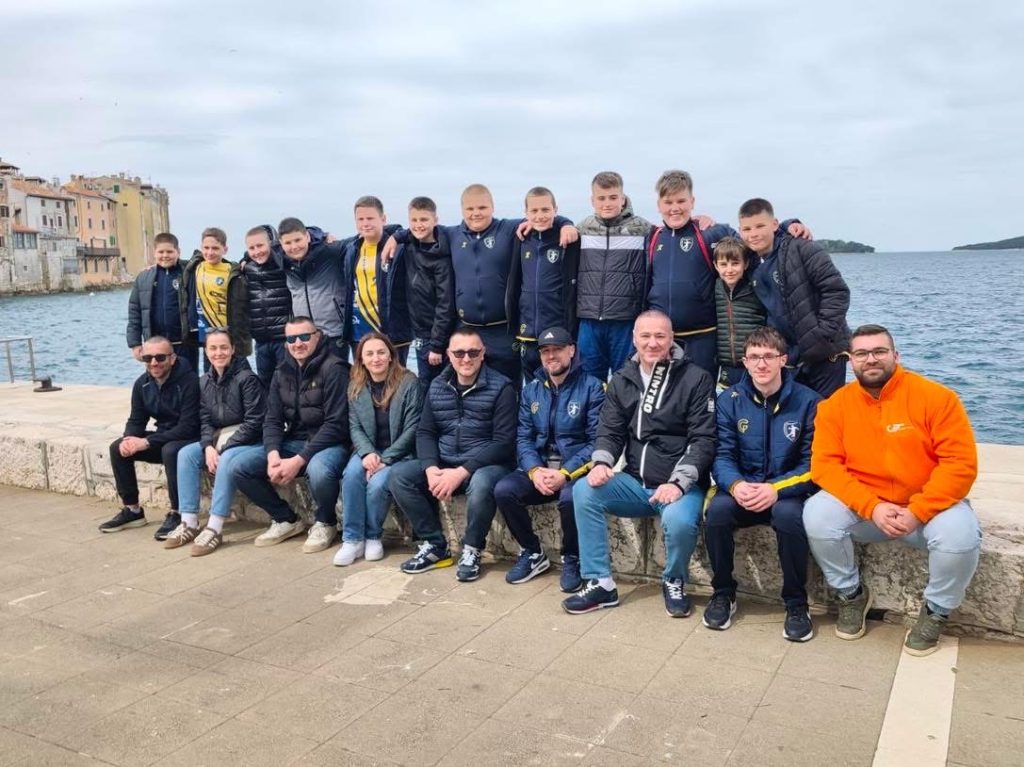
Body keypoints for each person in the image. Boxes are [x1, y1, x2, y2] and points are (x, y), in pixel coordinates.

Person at [804, 324, 981, 656]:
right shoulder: (835, 406)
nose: (870, 359)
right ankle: (851, 595)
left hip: (928, 510)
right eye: (861, 353)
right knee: (816, 513)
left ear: (895, 355)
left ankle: (937, 610)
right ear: (850, 360)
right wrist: (872, 507)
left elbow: (960, 465)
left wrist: (918, 511)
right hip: (869, 512)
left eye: (879, 351)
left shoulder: (937, 398)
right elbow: (825, 466)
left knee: (961, 536)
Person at [564, 310, 716, 617]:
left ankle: (674, 580)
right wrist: (601, 463)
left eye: (660, 336)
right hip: (635, 483)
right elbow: (609, 430)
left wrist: (677, 483)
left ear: (672, 339)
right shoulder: (623, 379)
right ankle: (601, 583)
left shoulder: (696, 378)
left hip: (679, 487)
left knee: (680, 522)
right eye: (645, 336)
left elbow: (703, 440)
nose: (652, 343)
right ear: (634, 339)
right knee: (583, 490)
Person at [382, 184, 577, 384]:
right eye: (470, 209)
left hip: (503, 332)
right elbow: (422, 230)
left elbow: (542, 217)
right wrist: (395, 238)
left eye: (482, 208)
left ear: (493, 207)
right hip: (467, 330)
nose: (476, 213)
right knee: (468, 390)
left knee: (509, 389)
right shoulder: (452, 234)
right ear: (462, 210)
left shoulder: (508, 229)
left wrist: (566, 224)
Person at [703, 327, 821, 641]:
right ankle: (723, 593)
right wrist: (736, 485)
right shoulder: (729, 400)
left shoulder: (809, 402)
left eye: (769, 356)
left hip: (786, 491)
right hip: (744, 487)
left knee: (789, 517)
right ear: (744, 362)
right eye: (754, 357)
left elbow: (814, 464)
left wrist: (776, 489)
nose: (761, 363)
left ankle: (796, 603)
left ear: (783, 359)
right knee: (717, 512)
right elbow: (721, 455)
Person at [646, 171, 809, 377]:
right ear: (658, 205)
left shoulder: (711, 232)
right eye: (668, 202)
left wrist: (788, 225)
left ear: (692, 202)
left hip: (703, 337)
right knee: (663, 394)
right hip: (661, 338)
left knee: (702, 392)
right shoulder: (653, 238)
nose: (675, 208)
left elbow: (754, 239)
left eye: (681, 201)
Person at [389, 328, 517, 582]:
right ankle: (436, 546)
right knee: (399, 476)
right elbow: (425, 431)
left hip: (486, 466)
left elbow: (503, 442)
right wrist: (430, 468)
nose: (466, 358)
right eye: (459, 353)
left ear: (483, 353)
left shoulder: (502, 387)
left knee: (482, 483)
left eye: (473, 352)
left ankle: (472, 549)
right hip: (446, 462)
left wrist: (461, 472)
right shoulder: (437, 385)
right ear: (448, 354)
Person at [494, 327, 604, 591]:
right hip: (541, 470)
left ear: (571, 350)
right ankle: (533, 552)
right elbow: (523, 438)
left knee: (571, 498)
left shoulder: (593, 387)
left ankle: (572, 558)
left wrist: (565, 473)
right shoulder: (531, 390)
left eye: (557, 350)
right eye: (545, 351)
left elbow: (597, 442)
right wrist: (534, 470)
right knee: (504, 490)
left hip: (574, 472)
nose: (551, 356)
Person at [233, 317, 351, 553]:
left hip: (330, 443)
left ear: (317, 337)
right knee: (240, 467)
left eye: (304, 337)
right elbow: (272, 420)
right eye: (291, 338)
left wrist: (299, 460)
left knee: (319, 470)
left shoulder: (335, 369)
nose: (298, 343)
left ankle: (326, 522)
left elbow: (336, 424)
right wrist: (273, 454)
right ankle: (285, 519)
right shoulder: (281, 371)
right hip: (294, 440)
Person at [166, 329, 266, 556]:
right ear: (206, 351)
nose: (218, 353)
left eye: (223, 347)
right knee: (186, 454)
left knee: (227, 458)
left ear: (233, 349)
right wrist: (208, 446)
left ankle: (215, 527)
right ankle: (189, 521)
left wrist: (223, 447)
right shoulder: (204, 382)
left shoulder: (247, 379)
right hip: (218, 439)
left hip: (250, 441)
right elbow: (204, 420)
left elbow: (255, 422)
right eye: (213, 348)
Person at [738, 198, 849, 397]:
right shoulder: (750, 262)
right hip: (789, 358)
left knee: (826, 412)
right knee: (794, 413)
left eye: (760, 226)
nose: (753, 234)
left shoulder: (802, 247)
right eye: (747, 229)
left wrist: (822, 334)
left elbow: (836, 291)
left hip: (826, 354)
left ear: (774, 224)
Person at [99, 336, 200, 540]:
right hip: (163, 437)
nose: (154, 363)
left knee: (170, 451)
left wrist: (146, 442)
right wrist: (129, 440)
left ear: (172, 358)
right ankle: (133, 510)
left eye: (160, 357)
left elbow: (188, 427)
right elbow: (136, 419)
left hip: (190, 438)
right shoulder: (142, 384)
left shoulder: (190, 382)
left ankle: (178, 513)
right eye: (148, 358)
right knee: (117, 448)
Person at [337, 332, 423, 567]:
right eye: (370, 354)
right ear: (361, 360)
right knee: (351, 476)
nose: (376, 358)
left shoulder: (409, 383)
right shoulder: (356, 386)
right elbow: (354, 426)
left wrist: (386, 459)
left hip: (399, 452)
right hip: (368, 450)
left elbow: (413, 428)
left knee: (377, 484)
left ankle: (373, 536)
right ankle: (352, 539)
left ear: (391, 355)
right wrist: (367, 453)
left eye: (381, 352)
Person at [575, 171, 655, 381]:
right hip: (590, 321)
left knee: (626, 381)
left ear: (622, 198)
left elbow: (672, 230)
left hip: (625, 321)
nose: (607, 203)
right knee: (588, 383)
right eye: (601, 198)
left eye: (613, 197)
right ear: (593, 200)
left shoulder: (642, 228)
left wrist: (700, 219)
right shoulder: (583, 228)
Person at [513, 187, 580, 380]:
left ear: (555, 209)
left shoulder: (566, 237)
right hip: (527, 332)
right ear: (526, 214)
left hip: (556, 331)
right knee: (531, 387)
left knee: (560, 384)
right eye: (534, 211)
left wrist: (566, 223)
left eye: (545, 210)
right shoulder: (521, 238)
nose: (540, 215)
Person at [341, 196, 411, 362]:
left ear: (383, 219)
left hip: (391, 329)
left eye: (370, 218)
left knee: (395, 376)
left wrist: (398, 235)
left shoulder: (398, 247)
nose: (365, 223)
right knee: (362, 376)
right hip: (359, 329)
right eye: (360, 219)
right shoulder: (352, 248)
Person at [179, 227, 251, 372]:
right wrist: (152, 267)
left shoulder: (234, 271)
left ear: (225, 249)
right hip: (207, 335)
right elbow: (169, 261)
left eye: (215, 248)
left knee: (241, 374)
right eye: (206, 248)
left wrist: (246, 259)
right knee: (211, 375)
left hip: (230, 335)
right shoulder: (194, 267)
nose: (210, 252)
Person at [126, 233, 197, 373]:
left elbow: (203, 260)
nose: (165, 255)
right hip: (155, 348)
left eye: (170, 251)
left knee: (187, 381)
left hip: (184, 345)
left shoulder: (189, 273)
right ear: (154, 253)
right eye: (161, 252)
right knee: (157, 382)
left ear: (178, 252)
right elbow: (134, 313)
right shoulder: (144, 278)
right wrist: (135, 344)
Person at [277, 217, 350, 355]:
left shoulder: (330, 251)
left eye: (298, 240)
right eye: (288, 243)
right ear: (281, 244)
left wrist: (393, 236)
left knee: (335, 369)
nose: (294, 247)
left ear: (307, 237)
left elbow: (361, 239)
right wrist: (245, 259)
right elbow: (259, 248)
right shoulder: (281, 259)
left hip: (333, 333)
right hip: (303, 337)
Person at [403, 196, 455, 388]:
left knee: (438, 386)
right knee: (424, 384)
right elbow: (390, 230)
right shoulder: (409, 244)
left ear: (435, 220)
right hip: (417, 333)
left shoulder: (442, 258)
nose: (419, 225)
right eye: (414, 220)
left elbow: (445, 304)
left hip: (435, 337)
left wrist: (437, 345)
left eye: (424, 219)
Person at [240, 224, 290, 387]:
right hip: (261, 340)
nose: (257, 251)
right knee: (265, 384)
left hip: (283, 339)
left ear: (271, 243)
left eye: (260, 246)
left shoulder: (282, 263)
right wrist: (245, 258)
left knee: (287, 383)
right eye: (251, 248)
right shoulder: (247, 268)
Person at [713, 237, 766, 388]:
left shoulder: (756, 288)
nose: (729, 270)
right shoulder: (713, 287)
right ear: (716, 266)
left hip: (754, 363)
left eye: (735, 263)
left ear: (746, 264)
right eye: (723, 264)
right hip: (725, 366)